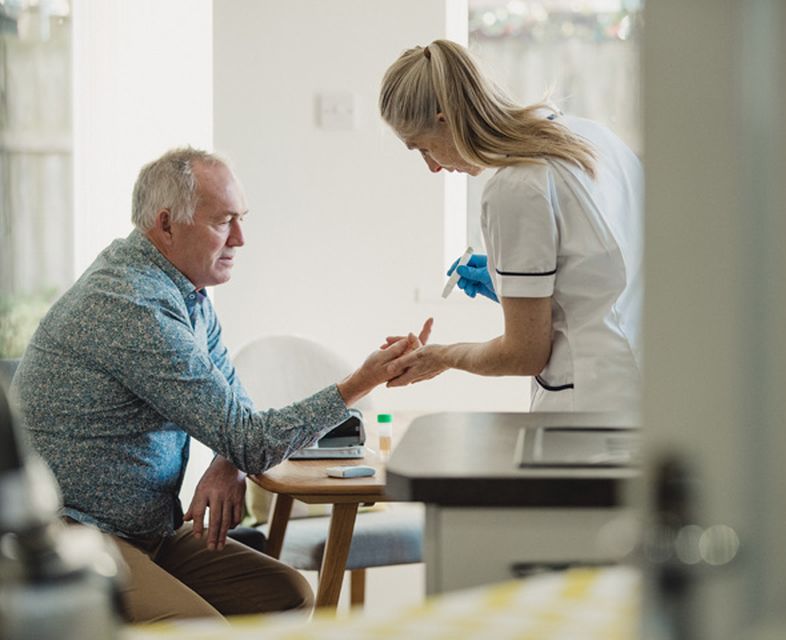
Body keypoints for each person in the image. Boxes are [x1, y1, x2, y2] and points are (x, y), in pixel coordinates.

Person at [10, 147, 421, 623]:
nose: (241, 239)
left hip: (149, 530)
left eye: (241, 219)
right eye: (224, 221)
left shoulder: (187, 293)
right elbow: (250, 437)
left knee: (286, 597)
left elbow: (236, 416)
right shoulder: (134, 305)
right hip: (77, 533)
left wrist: (229, 460)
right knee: (203, 631)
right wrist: (361, 382)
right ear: (166, 225)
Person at [378, 39, 643, 413]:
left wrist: (441, 357)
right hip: (647, 388)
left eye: (423, 147)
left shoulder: (515, 186)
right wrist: (515, 286)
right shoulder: (592, 137)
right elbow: (605, 273)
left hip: (590, 411)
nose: (433, 167)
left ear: (445, 120)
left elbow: (523, 355)